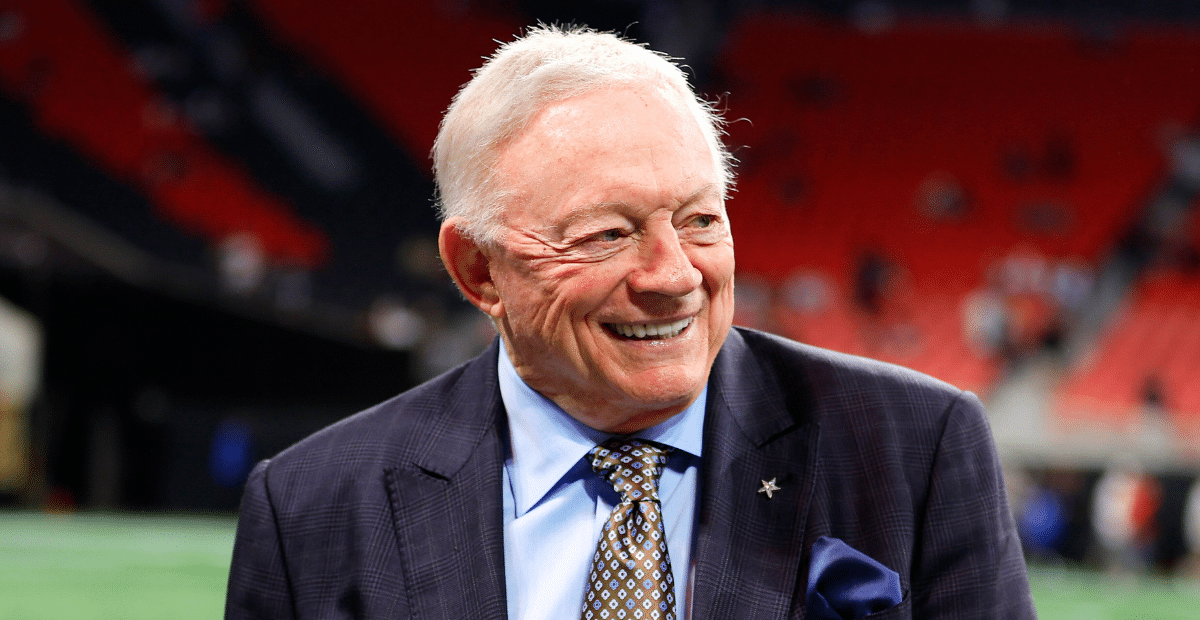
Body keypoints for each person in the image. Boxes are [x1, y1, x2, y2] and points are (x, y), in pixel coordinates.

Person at [225, 26, 1035, 620]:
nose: (674, 276)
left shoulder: (914, 448)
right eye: (607, 234)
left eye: (700, 221)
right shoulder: (310, 508)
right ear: (479, 270)